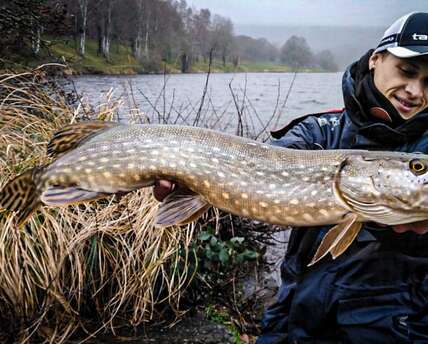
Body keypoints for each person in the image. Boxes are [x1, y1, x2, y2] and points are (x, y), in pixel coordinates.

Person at [154, 12, 428, 343]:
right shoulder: (318, 131)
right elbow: (255, 168)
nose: (415, 90)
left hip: (392, 331)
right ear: (375, 59)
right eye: (407, 71)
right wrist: (191, 180)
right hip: (293, 320)